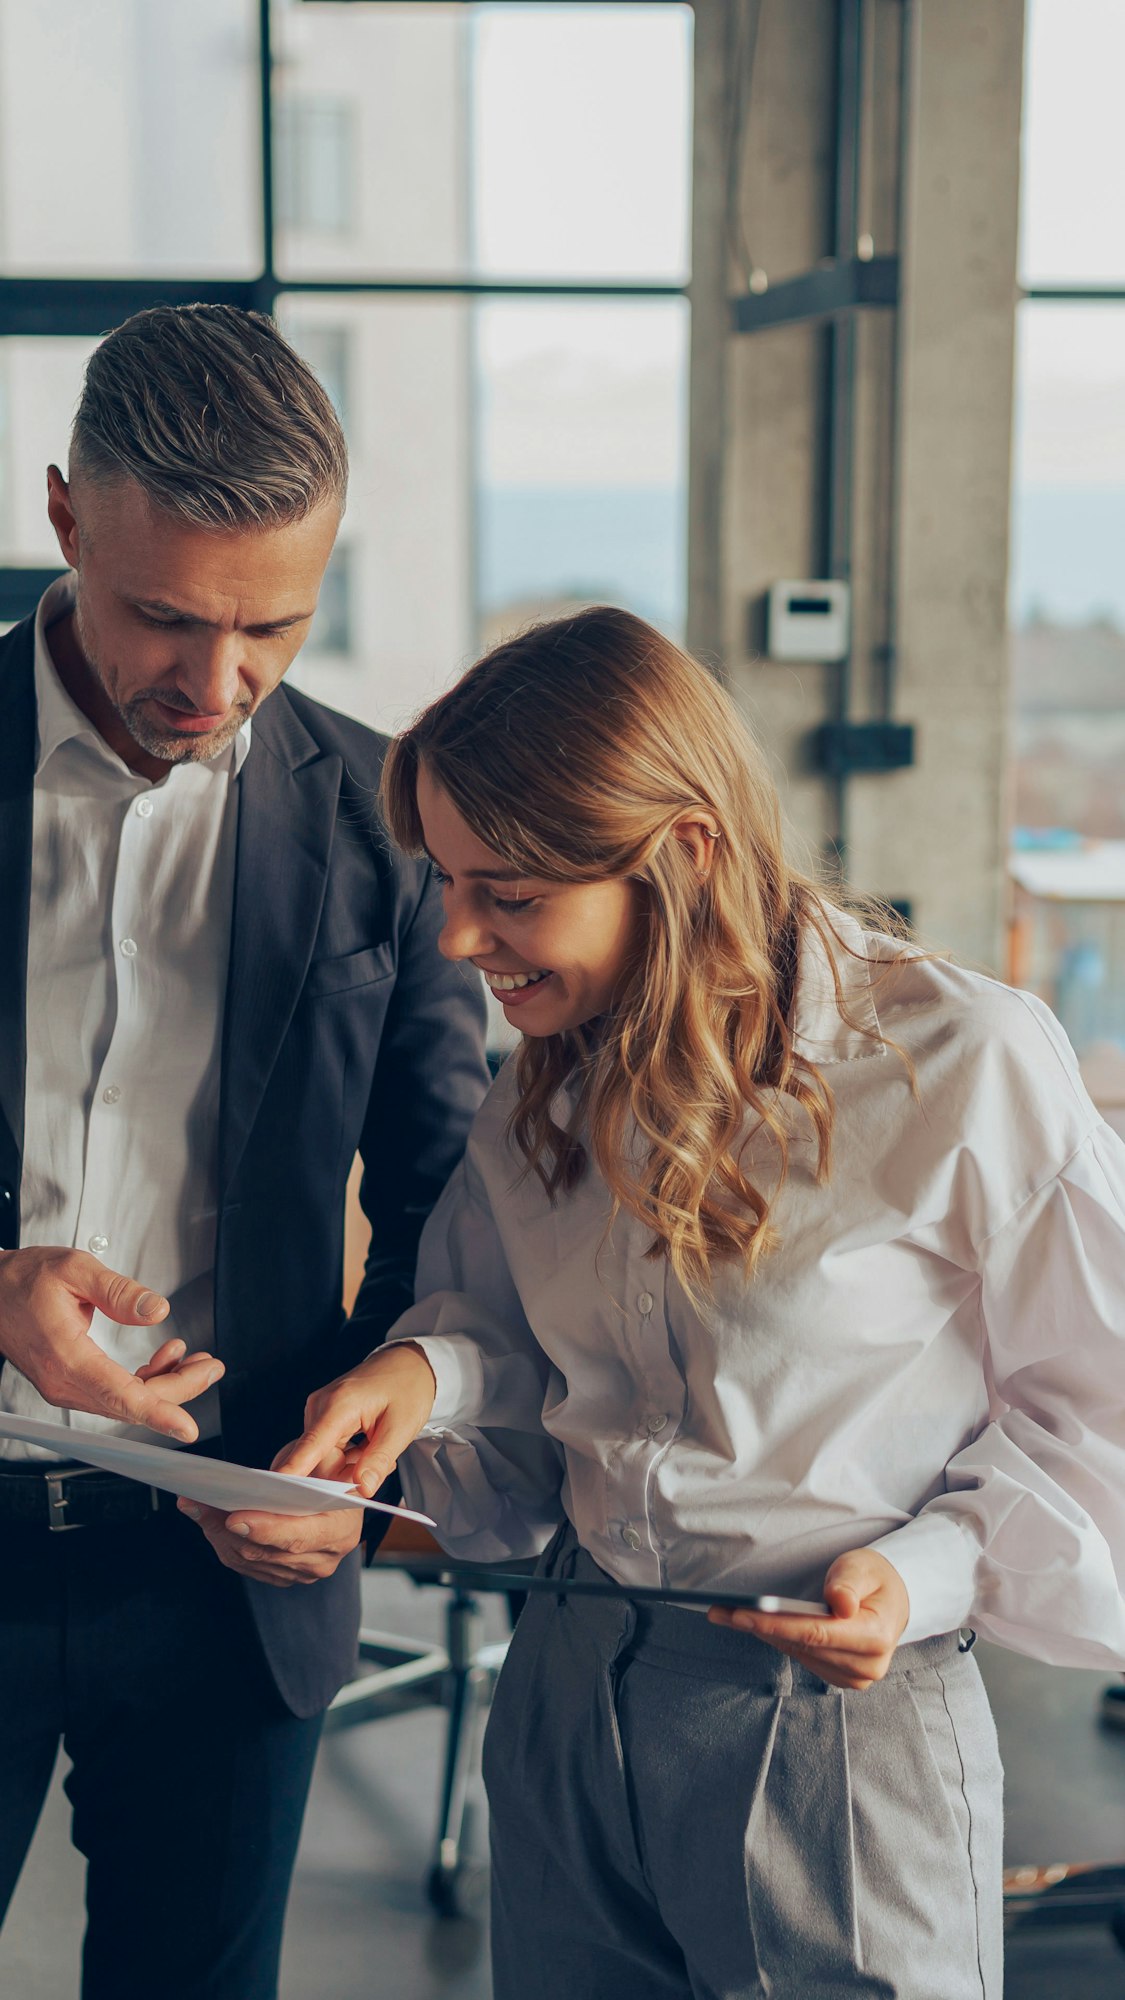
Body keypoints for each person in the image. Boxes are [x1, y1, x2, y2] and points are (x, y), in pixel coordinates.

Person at [286, 606, 1125, 2000]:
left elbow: (1101, 1411)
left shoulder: (961, 1060)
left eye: (505, 891)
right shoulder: (544, 1077)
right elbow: (507, 1329)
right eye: (445, 880)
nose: (454, 938)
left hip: (832, 1716)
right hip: (560, 1685)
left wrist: (914, 1578)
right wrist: (417, 1380)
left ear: (678, 851)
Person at [0, 304, 489, 2000]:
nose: (216, 688)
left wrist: (360, 1463)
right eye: (162, 617)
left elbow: (449, 1201)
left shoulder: (390, 828)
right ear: (65, 520)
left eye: (273, 626)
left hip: (228, 1572)